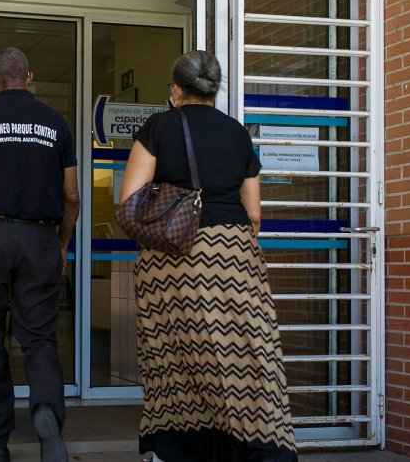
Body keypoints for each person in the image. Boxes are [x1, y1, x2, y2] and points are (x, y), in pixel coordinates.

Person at [120, 50, 297, 462]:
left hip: (172, 257)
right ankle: (257, 447)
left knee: (174, 357)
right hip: (236, 253)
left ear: (177, 89)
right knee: (246, 355)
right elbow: (254, 213)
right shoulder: (238, 133)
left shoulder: (159, 127)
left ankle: (177, 447)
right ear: (213, 90)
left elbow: (130, 201)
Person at [0, 47, 80, 462]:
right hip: (41, 238)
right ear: (30, 78)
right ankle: (45, 414)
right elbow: (72, 196)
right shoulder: (56, 123)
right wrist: (61, 244)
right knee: (40, 339)